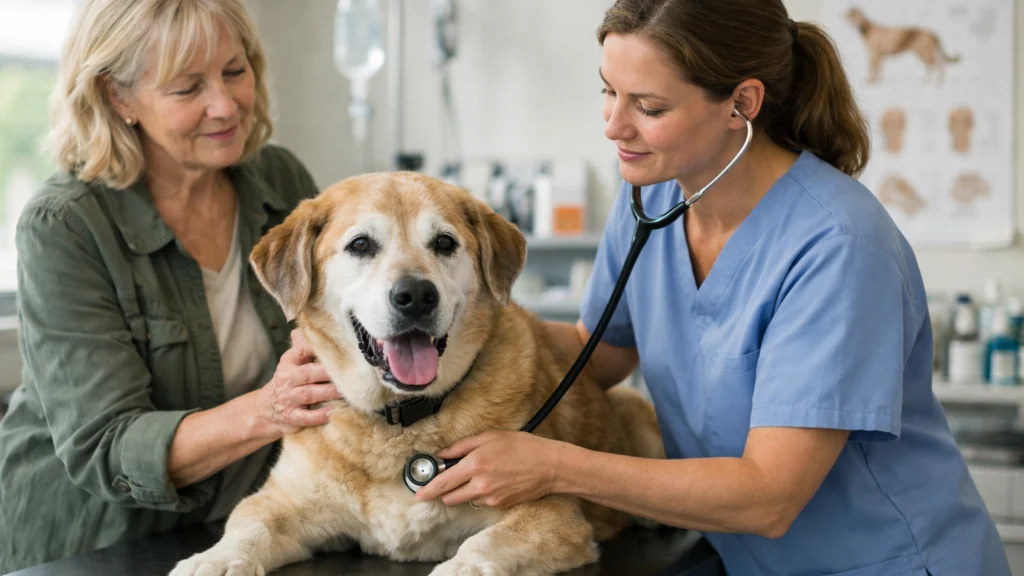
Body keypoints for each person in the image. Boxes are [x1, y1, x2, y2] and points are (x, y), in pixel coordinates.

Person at [414, 1, 1011, 574]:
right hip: (753, 562)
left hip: (889, 564)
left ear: (741, 104)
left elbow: (768, 497)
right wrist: (423, 341)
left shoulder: (838, 246)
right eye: (608, 91)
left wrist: (552, 467)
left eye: (648, 106)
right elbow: (595, 354)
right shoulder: (651, 196)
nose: (614, 126)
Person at [0, 0, 343, 571]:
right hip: (100, 542)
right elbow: (107, 445)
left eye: (235, 71)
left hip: (242, 527)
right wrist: (271, 410)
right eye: (187, 89)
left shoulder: (281, 180)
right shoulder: (64, 225)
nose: (225, 104)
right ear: (118, 97)